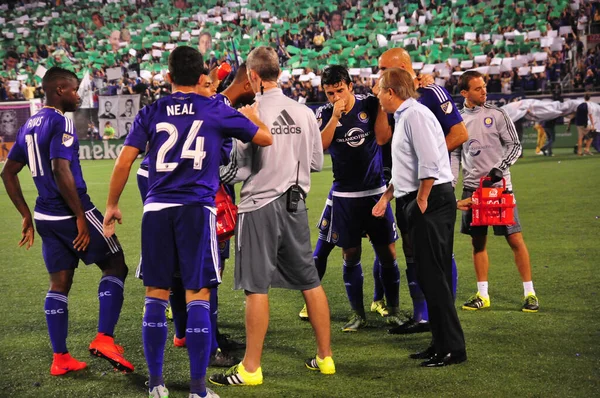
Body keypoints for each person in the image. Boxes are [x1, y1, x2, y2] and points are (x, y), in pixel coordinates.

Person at [102, 46, 271, 398]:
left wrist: (112, 205)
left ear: (167, 77)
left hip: (156, 210)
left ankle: (157, 384)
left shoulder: (152, 111)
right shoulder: (214, 108)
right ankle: (197, 389)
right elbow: (264, 138)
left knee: (156, 294)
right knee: (198, 293)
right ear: (201, 78)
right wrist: (253, 114)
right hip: (197, 210)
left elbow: (124, 161)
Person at [209, 46, 334, 387]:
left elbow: (238, 170)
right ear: (278, 73)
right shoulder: (304, 112)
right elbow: (316, 163)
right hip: (296, 205)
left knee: (256, 287)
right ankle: (325, 358)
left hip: (259, 205)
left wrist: (214, 170)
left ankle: (251, 368)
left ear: (251, 77)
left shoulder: (248, 112)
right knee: (310, 281)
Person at [0, 66, 134, 376]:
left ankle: (60, 358)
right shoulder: (61, 121)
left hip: (44, 216)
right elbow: (61, 168)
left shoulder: (28, 125)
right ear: (60, 90)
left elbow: (8, 171)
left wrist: (24, 214)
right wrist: (80, 218)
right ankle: (104, 338)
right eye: (74, 90)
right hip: (70, 212)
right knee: (116, 264)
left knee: (59, 283)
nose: (78, 95)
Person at [373, 68, 466, 367]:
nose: (376, 94)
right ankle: (440, 343)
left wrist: (421, 199)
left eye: (379, 89)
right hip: (420, 197)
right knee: (428, 276)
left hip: (431, 199)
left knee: (434, 276)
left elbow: (429, 161)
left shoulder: (414, 115)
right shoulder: (406, 116)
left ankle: (452, 347)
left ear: (391, 91)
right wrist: (388, 196)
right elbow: (407, 167)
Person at [309, 64, 400, 333]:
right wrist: (335, 118)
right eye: (329, 93)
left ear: (350, 86)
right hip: (344, 195)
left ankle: (394, 310)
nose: (335, 97)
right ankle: (358, 314)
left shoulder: (371, 104)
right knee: (350, 254)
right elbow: (319, 149)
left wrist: (381, 107)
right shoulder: (324, 114)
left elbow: (383, 138)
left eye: (339, 90)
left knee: (388, 252)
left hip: (374, 192)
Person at [451, 70, 540, 313]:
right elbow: (455, 155)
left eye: (484, 87)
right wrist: (450, 186)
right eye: (478, 88)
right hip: (472, 189)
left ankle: (530, 293)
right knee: (477, 244)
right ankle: (483, 294)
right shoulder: (458, 120)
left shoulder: (498, 114)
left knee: (515, 240)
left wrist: (500, 169)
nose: (484, 91)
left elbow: (515, 146)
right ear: (464, 93)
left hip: (501, 188)